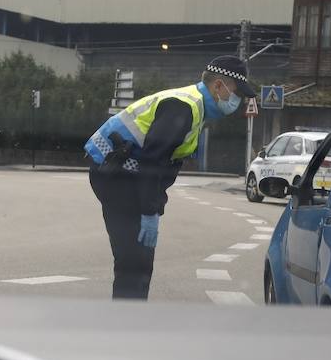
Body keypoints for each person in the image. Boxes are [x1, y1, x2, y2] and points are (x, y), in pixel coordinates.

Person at [85, 55, 256, 300]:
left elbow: (159, 162)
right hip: (117, 177)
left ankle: (128, 319)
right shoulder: (183, 107)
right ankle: (124, 325)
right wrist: (149, 211)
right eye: (236, 93)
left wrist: (152, 206)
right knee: (134, 262)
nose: (237, 102)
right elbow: (152, 162)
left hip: (123, 175)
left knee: (138, 261)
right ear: (218, 86)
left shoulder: (193, 106)